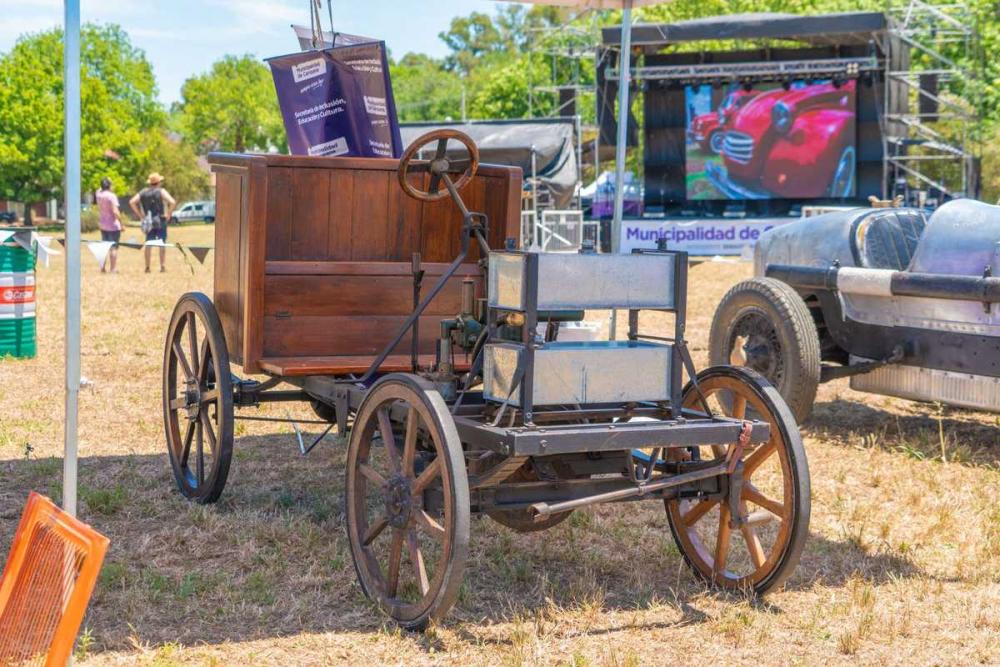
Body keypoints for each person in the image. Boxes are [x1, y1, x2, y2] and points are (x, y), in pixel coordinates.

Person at [129, 172, 176, 273]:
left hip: (148, 222)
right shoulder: (161, 191)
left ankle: (147, 267)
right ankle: (162, 266)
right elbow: (172, 202)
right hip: (160, 220)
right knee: (162, 244)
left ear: (150, 183)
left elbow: (132, 202)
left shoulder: (143, 192)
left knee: (148, 244)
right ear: (158, 182)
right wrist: (168, 214)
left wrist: (140, 215)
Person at [95, 177, 124, 273]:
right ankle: (113, 268)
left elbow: (98, 189)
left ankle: (102, 267)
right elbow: (115, 211)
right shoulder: (111, 196)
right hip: (113, 225)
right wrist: (121, 223)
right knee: (113, 247)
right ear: (109, 185)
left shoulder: (99, 195)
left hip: (103, 224)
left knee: (104, 247)